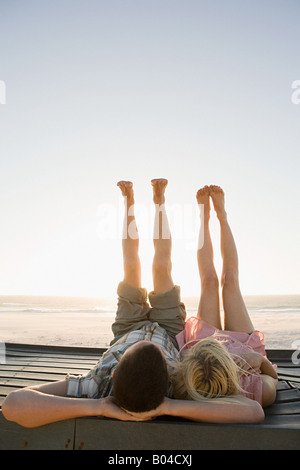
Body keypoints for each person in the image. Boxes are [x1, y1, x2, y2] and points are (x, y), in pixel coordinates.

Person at [2, 180, 264, 428]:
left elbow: (12, 404)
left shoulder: (95, 384)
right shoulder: (177, 387)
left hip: (127, 328)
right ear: (167, 377)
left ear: (114, 374)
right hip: (168, 328)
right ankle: (160, 203)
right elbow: (252, 412)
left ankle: (129, 203)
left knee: (131, 265)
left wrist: (100, 407)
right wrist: (169, 406)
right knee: (162, 267)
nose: (145, 340)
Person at [171, 185, 278, 408]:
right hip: (243, 348)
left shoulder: (191, 384)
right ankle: (222, 216)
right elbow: (273, 379)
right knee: (230, 281)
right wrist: (257, 359)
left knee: (208, 281)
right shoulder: (252, 390)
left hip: (204, 350)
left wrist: (201, 355)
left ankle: (203, 217)